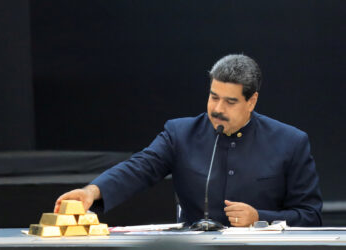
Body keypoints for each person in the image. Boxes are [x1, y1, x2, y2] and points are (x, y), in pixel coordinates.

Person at [54, 54, 322, 227]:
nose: (217, 108)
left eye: (230, 102)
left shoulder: (290, 142)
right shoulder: (180, 133)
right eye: (213, 96)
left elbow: (310, 216)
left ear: (251, 101)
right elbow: (140, 168)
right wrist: (93, 191)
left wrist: (260, 218)